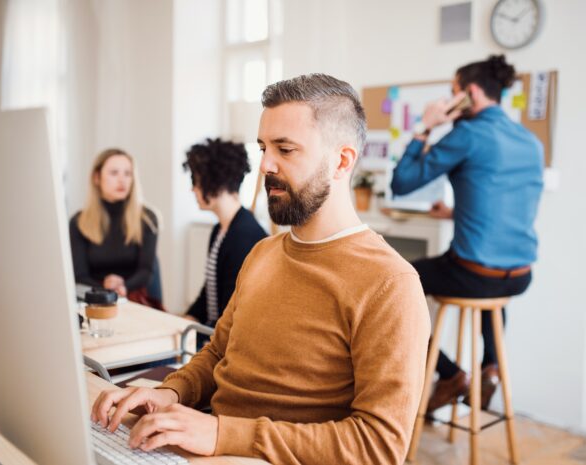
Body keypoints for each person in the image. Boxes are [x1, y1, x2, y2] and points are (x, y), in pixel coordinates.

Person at [91, 74, 430, 465]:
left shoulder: (390, 284)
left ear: (341, 161)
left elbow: (378, 446)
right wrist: (169, 393)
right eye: (264, 148)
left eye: (285, 150)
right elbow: (217, 353)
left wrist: (224, 434)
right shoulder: (263, 254)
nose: (265, 165)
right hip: (214, 442)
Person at [391, 55, 544, 413]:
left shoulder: (468, 134)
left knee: (393, 285)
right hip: (520, 276)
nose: (448, 101)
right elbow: (507, 204)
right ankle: (490, 367)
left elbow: (402, 183)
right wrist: (455, 213)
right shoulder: (529, 141)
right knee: (490, 286)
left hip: (473, 274)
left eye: (452, 92)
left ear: (470, 93)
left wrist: (425, 127)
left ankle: (450, 375)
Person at [182, 138, 266, 330]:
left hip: (226, 341)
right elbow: (209, 291)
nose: (192, 188)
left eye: (195, 180)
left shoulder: (244, 236)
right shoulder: (220, 230)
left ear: (214, 182)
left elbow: (232, 312)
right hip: (213, 332)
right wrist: (188, 318)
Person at [69, 148, 162, 310]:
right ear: (97, 178)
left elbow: (146, 271)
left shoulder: (147, 218)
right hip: (94, 299)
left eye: (128, 173)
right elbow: (79, 275)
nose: (122, 180)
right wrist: (106, 288)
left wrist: (122, 286)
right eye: (114, 173)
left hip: (135, 298)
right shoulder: (78, 222)